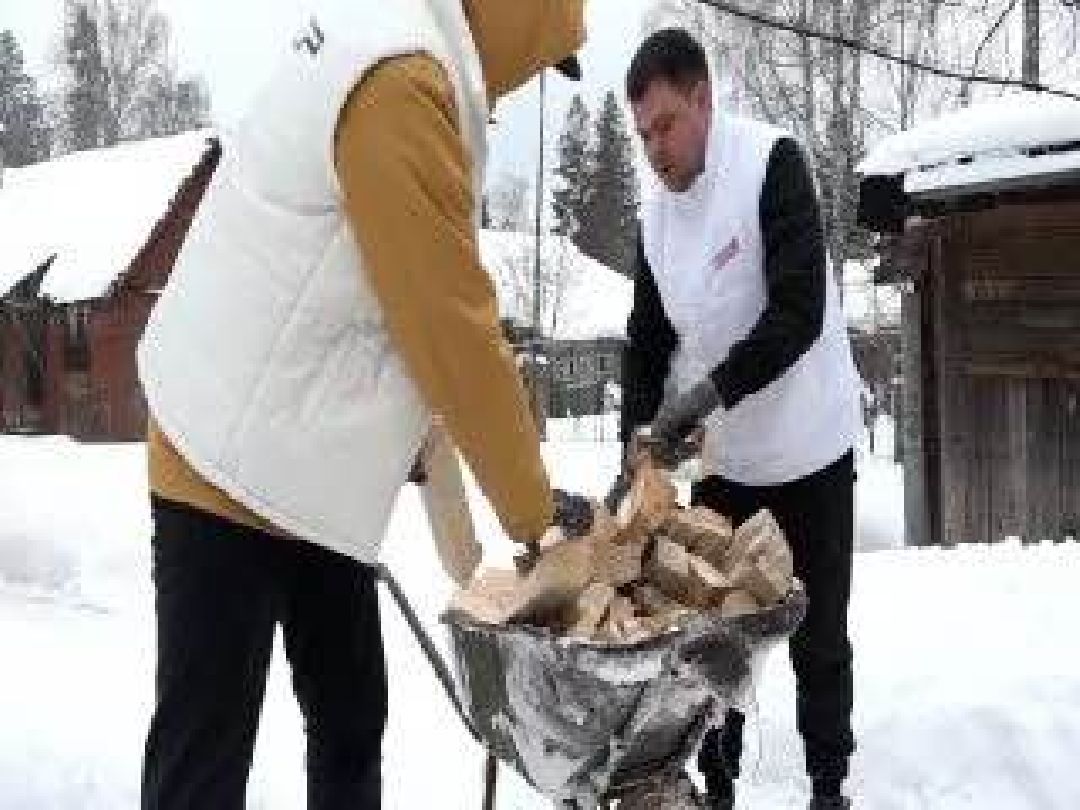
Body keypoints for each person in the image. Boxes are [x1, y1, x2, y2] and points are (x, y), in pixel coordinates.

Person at [136, 1, 590, 807]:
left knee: (349, 714)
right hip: (220, 459)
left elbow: (367, 298)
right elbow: (450, 325)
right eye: (537, 61)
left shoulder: (401, 51)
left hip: (303, 459)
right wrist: (534, 517)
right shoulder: (400, 85)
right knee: (206, 745)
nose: (520, 89)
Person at [622, 28, 861, 810]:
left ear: (703, 98)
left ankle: (828, 785)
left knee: (818, 637)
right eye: (642, 133)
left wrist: (702, 398)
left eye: (664, 124)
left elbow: (797, 311)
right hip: (730, 465)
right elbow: (648, 340)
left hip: (811, 447)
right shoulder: (656, 221)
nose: (654, 148)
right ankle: (717, 785)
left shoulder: (770, 164)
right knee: (713, 638)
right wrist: (640, 442)